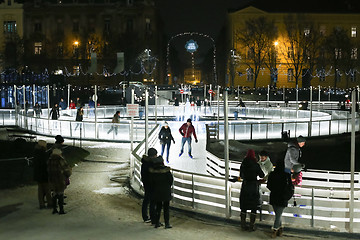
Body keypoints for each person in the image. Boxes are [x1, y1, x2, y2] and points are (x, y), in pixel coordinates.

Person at [267, 159, 294, 238]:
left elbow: (269, 185)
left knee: (278, 214)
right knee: (278, 215)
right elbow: (290, 186)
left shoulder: (272, 174)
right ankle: (277, 230)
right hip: (283, 197)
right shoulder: (286, 175)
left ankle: (277, 230)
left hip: (274, 196)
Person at [239, 149, 265, 231]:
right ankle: (251, 226)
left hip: (245, 186)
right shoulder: (256, 164)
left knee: (244, 206)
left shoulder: (243, 164)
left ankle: (243, 225)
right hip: (254, 187)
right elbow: (262, 175)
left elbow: (241, 176)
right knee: (254, 206)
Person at [140, 148, 163, 224]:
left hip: (147, 183)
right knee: (152, 201)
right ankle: (152, 218)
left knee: (147, 200)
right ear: (153, 156)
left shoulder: (145, 163)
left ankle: (146, 217)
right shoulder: (150, 164)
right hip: (151, 184)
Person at [149, 158, 173, 229]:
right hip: (166, 191)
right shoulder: (166, 171)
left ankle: (157, 223)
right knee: (166, 208)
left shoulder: (153, 172)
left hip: (157, 192)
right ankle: (167, 223)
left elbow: (151, 182)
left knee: (158, 207)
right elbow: (170, 180)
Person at [47, 148, 72, 215]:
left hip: (52, 179)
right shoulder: (60, 160)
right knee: (60, 193)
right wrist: (68, 174)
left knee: (54, 193)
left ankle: (54, 209)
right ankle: (61, 209)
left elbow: (48, 170)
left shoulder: (49, 160)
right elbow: (66, 169)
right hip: (60, 178)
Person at [32, 140, 51, 209]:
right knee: (47, 189)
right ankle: (50, 203)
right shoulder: (43, 153)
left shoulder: (36, 152)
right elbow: (45, 164)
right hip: (44, 173)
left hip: (38, 173)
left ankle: (41, 204)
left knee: (40, 189)